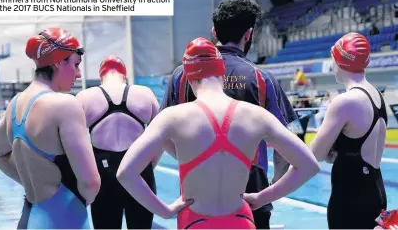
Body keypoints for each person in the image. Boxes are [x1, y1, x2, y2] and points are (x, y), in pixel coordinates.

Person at [117, 37, 320, 229]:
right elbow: (309, 165)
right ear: (222, 72)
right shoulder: (257, 116)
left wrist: (164, 210)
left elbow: (126, 173)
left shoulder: (172, 117)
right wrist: (262, 197)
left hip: (194, 222)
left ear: (189, 77)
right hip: (242, 220)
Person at [159, 0, 297, 228]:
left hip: (196, 187)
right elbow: (285, 148)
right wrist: (273, 188)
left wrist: (191, 159)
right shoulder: (262, 79)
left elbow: (163, 136)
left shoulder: (182, 75)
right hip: (252, 187)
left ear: (214, 32)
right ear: (249, 34)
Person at [0, 28, 101, 229]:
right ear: (58, 61)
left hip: (29, 217)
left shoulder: (15, 104)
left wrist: (31, 184)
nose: (78, 73)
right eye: (75, 65)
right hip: (64, 220)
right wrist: (75, 202)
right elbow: (91, 182)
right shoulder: (65, 105)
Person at [310, 32, 388, 229]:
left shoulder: (345, 101)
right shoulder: (376, 95)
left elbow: (315, 154)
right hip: (376, 190)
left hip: (350, 197)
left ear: (339, 61)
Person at [76, 55, 161, 229]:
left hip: (103, 175)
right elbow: (162, 137)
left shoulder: (84, 97)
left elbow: (76, 144)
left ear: (102, 76)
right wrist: (149, 165)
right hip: (139, 171)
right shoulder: (144, 93)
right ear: (124, 75)